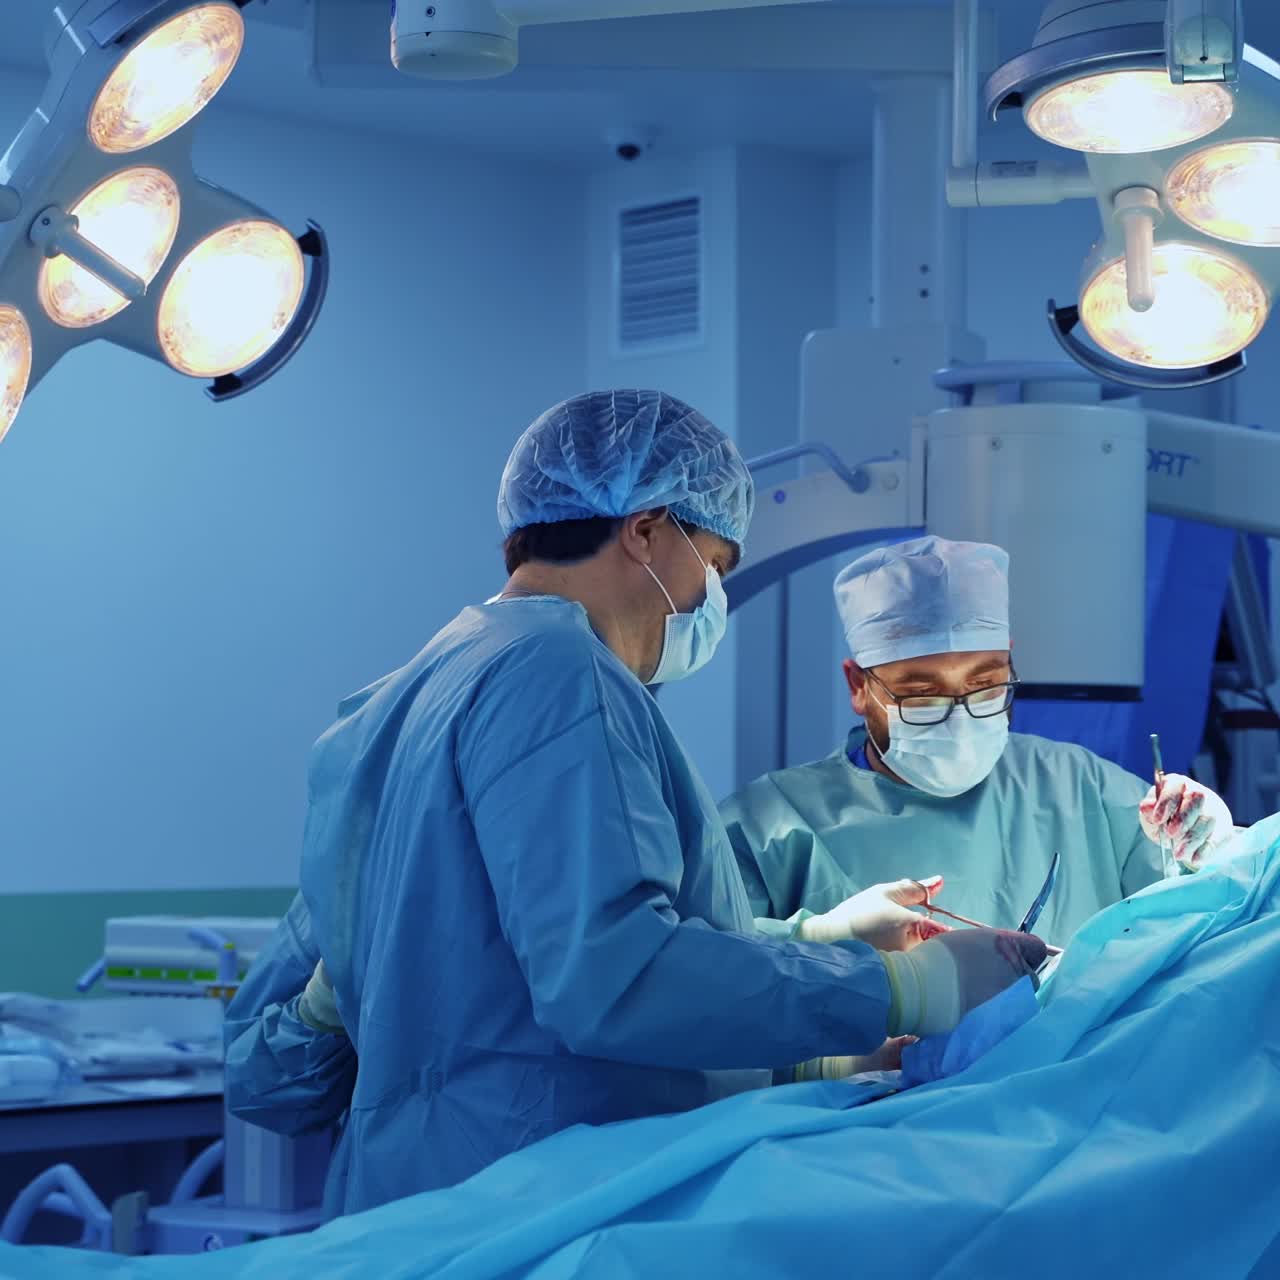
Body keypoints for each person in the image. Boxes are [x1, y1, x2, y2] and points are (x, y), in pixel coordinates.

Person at [225, 394, 1045, 1218]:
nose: (710, 599)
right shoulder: (558, 671)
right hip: (550, 1216)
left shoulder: (393, 707)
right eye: (716, 568)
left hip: (411, 1218)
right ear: (647, 531)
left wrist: (817, 936)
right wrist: (908, 988)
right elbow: (618, 981)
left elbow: (265, 1074)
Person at [721, 536, 1236, 948]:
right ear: (859, 686)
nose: (959, 715)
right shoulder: (772, 823)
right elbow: (700, 965)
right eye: (922, 694)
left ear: (1009, 660)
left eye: (985, 685)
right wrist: (812, 939)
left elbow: (1210, 912)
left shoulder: (1081, 787)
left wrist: (1209, 844)